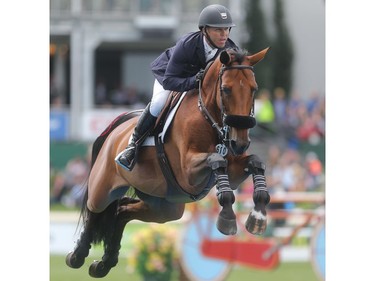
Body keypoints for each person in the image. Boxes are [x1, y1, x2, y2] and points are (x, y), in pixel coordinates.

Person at [116, 4, 239, 171]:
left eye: (227, 29)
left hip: (198, 84)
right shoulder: (187, 44)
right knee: (159, 102)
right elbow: (169, 81)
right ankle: (132, 146)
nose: (224, 34)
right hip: (170, 76)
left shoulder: (230, 50)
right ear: (205, 30)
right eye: (218, 30)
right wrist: (194, 82)